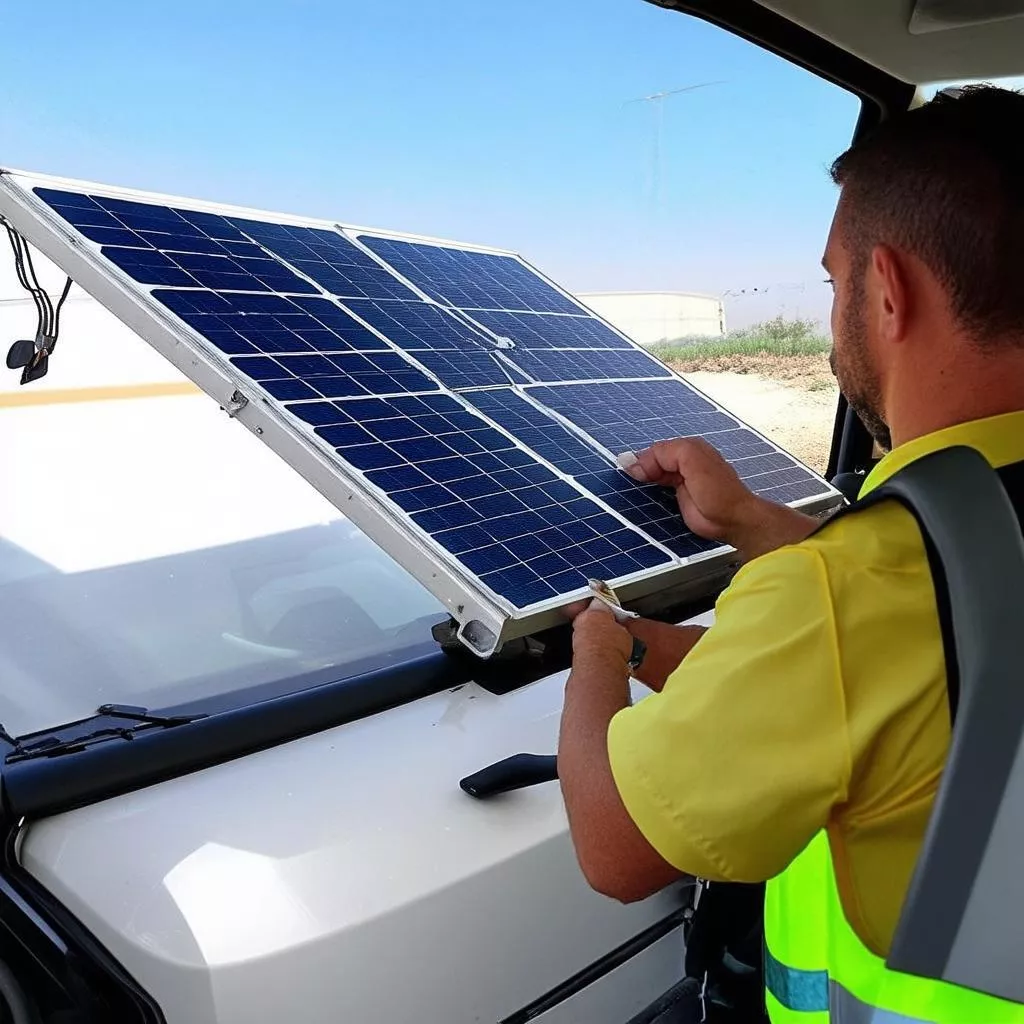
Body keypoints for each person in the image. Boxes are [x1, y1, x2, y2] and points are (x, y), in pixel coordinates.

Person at [557, 84, 1024, 1023]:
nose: (833, 312)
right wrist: (747, 520)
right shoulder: (891, 581)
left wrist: (599, 650)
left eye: (833, 281)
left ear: (887, 291)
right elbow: (953, 605)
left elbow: (616, 848)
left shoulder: (845, 594)